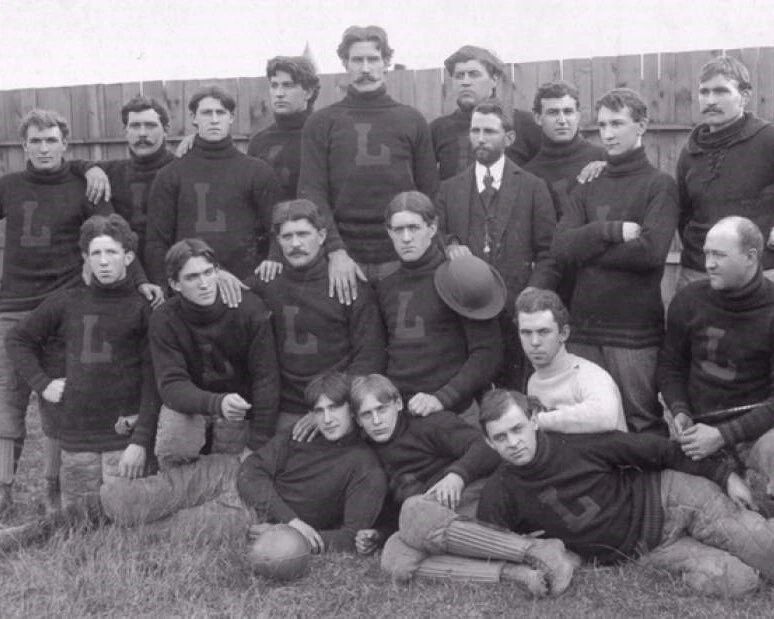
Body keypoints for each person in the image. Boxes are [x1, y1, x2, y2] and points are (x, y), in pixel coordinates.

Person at [468, 389, 774, 597]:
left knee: (765, 550)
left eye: (518, 429)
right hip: (647, 551)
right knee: (740, 581)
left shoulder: (577, 444)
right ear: (489, 442)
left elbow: (660, 451)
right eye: (501, 437)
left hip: (671, 498)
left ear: (533, 420)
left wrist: (726, 475)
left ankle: (755, 530)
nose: (513, 442)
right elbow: (494, 549)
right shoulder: (500, 492)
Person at [0, 109, 153, 516]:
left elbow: (112, 235)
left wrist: (138, 281)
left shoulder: (85, 185)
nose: (44, 147)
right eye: (36, 141)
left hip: (64, 305)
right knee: (8, 403)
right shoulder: (10, 185)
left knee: (56, 400)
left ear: (65, 143)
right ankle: (3, 490)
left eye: (52, 140)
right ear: (24, 146)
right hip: (14, 307)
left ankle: (53, 488)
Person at [352, 374, 572, 596]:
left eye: (381, 409)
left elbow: (488, 447)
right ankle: (517, 573)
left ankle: (533, 550)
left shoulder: (429, 423)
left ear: (398, 403)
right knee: (394, 557)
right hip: (428, 522)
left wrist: (457, 475)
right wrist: (378, 534)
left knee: (413, 509)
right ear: (358, 420)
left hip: (472, 497)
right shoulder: (367, 454)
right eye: (367, 415)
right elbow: (396, 511)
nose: (377, 421)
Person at [6, 214, 159, 510]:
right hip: (77, 437)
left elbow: (154, 379)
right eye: (96, 253)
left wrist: (140, 441)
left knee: (126, 516)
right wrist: (43, 383)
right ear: (85, 258)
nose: (103, 261)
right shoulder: (67, 301)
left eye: (111, 252)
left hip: (122, 437)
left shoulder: (144, 309)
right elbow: (17, 338)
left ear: (128, 257)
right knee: (80, 520)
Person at [551, 88, 678, 434]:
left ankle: (652, 489)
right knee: (591, 424)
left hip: (634, 331)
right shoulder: (588, 182)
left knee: (642, 421)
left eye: (617, 123)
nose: (607, 133)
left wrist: (588, 252)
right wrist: (610, 231)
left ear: (642, 125)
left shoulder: (659, 185)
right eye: (602, 124)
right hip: (584, 328)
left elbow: (650, 252)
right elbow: (562, 248)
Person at [298, 25, 438, 303]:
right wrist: (336, 251)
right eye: (357, 60)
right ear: (345, 64)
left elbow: (429, 193)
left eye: (372, 59)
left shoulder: (411, 120)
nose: (365, 68)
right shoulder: (322, 122)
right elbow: (313, 193)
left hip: (402, 257)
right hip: (344, 262)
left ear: (386, 62)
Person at [436, 99, 558, 386]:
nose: (480, 138)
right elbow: (437, 234)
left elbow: (549, 252)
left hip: (515, 310)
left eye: (489, 131)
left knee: (514, 390)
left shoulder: (533, 187)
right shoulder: (449, 189)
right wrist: (450, 246)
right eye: (475, 130)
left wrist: (532, 293)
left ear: (509, 138)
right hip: (464, 310)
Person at [658, 216, 774, 514]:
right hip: (699, 428)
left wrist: (724, 435)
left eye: (719, 255)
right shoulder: (688, 300)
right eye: (707, 253)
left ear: (751, 257)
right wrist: (680, 411)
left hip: (756, 432)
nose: (708, 263)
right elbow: (670, 367)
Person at [249, 199, 386, 433]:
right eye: (287, 236)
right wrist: (221, 278)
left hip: (339, 405)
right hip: (288, 408)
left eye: (303, 234)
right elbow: (226, 295)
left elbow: (369, 356)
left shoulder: (348, 284)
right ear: (278, 241)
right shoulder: (267, 282)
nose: (295, 244)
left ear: (322, 236)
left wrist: (329, 407)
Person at [149, 238, 280, 462]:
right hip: (193, 407)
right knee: (175, 431)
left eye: (208, 273)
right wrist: (216, 403)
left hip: (239, 408)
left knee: (231, 472)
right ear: (175, 284)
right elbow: (171, 383)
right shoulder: (164, 318)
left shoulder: (249, 308)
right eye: (192, 277)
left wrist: (258, 442)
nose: (204, 283)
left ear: (218, 271)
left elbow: (266, 379)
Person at [376, 191, 503, 420]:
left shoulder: (457, 277)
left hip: (453, 410)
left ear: (432, 229)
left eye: (414, 228)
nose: (406, 238)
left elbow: (487, 352)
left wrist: (442, 398)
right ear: (389, 233)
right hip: (400, 414)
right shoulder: (385, 286)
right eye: (398, 230)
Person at [145, 86, 281, 289]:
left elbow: (277, 227)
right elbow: (156, 241)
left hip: (247, 285)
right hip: (191, 289)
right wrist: (167, 289)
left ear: (231, 117)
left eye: (221, 112)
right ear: (193, 117)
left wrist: (259, 280)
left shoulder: (257, 171)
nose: (215, 119)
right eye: (207, 113)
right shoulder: (170, 174)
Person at [237, 372, 387, 553]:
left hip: (258, 521)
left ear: (353, 409)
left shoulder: (365, 465)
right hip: (245, 498)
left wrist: (282, 535)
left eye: (334, 407)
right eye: (319, 411)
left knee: (208, 526)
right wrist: (291, 522)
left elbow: (352, 537)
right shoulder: (300, 433)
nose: (327, 419)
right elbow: (250, 471)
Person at [676, 56, 774, 288]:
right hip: (699, 274)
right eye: (704, 92)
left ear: (745, 96)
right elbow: (684, 213)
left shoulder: (768, 139)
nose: (710, 100)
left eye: (721, 91)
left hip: (760, 276)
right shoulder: (690, 151)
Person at [515, 288, 626, 433]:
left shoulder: (588, 375)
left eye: (544, 332)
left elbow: (605, 417)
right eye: (526, 333)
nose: (535, 342)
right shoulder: (534, 382)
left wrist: (537, 421)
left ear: (564, 334)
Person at [431, 45, 542, 180]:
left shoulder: (524, 124)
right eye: (459, 76)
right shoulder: (438, 129)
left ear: (494, 79)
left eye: (473, 74)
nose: (465, 82)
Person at [248, 56, 320, 201]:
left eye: (288, 85)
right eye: (274, 85)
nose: (279, 93)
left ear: (309, 92)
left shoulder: (322, 135)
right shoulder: (259, 142)